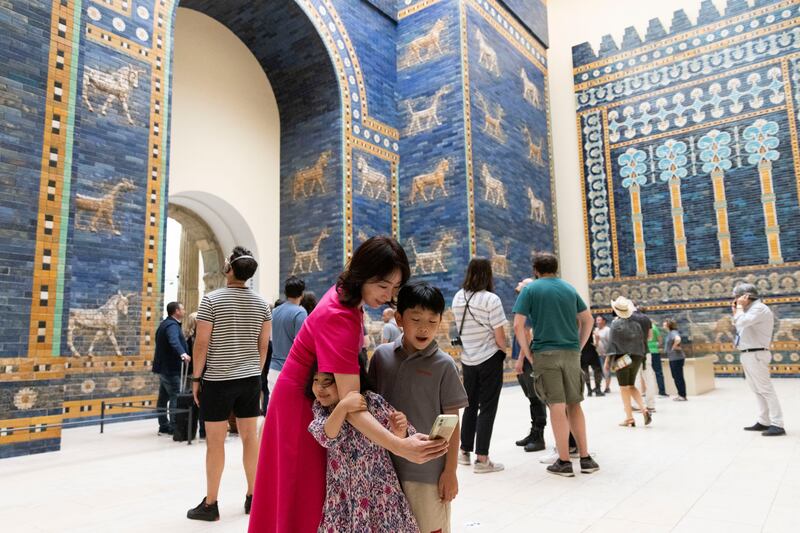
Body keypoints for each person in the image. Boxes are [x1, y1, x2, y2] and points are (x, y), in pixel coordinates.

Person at [248, 236, 449, 533]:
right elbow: (352, 405)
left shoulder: (347, 299)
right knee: (304, 496)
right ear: (362, 274)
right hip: (303, 404)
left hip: (316, 396)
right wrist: (400, 446)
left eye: (395, 288)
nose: (388, 294)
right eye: (383, 286)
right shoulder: (339, 317)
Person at [370, 281, 469, 533]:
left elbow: (452, 422)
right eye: (416, 319)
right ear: (399, 319)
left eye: (432, 321)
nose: (424, 328)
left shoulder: (444, 365)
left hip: (428, 475)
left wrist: (450, 471)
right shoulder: (381, 357)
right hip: (385, 470)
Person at [187, 247, 272, 521]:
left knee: (215, 442)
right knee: (251, 439)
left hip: (218, 382)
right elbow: (263, 347)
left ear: (229, 269)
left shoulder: (211, 301)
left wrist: (196, 378)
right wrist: (255, 376)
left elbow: (201, 344)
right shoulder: (262, 304)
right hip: (249, 381)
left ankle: (210, 504)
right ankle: (253, 497)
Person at [512, 252, 598, 477]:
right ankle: (586, 458)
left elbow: (518, 325)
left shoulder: (530, 289)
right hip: (570, 353)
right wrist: (578, 345)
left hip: (545, 353)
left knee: (557, 407)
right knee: (574, 404)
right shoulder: (569, 288)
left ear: (535, 270)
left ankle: (564, 461)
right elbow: (587, 319)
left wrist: (528, 354)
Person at [308, 361, 419, 533]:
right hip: (343, 496)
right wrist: (343, 406)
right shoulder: (322, 410)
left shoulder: (371, 402)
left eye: (328, 381)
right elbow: (325, 437)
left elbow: (402, 438)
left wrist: (400, 429)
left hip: (380, 491)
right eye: (315, 380)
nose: (320, 388)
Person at [451, 258, 507, 473]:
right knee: (488, 407)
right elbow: (499, 335)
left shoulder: (457, 297)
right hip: (489, 358)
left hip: (468, 359)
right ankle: (482, 459)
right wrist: (504, 350)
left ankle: (464, 452)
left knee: (470, 405)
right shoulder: (491, 299)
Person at [731, 283, 785, 436]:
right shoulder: (749, 310)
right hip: (748, 354)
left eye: (737, 297)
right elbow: (738, 323)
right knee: (757, 390)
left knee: (766, 390)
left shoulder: (759, 308)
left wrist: (739, 309)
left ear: (746, 296)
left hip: (756, 354)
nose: (735, 300)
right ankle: (764, 421)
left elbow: (741, 322)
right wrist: (738, 310)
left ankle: (778, 423)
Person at [512, 277, 547, 452]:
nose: (518, 285)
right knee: (532, 398)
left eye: (522, 284)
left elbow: (526, 335)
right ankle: (534, 432)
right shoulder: (523, 305)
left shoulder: (527, 307)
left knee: (536, 398)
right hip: (525, 358)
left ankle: (539, 436)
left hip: (527, 359)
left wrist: (520, 359)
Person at [606, 297, 651, 427]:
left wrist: (608, 361)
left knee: (624, 388)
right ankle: (644, 409)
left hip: (622, 358)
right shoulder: (636, 325)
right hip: (637, 356)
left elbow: (612, 344)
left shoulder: (615, 324)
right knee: (631, 386)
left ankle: (629, 418)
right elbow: (643, 342)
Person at [153, 301, 190, 436]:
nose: (184, 311)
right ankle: (174, 427)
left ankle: (163, 426)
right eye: (182, 309)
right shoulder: (172, 326)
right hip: (170, 368)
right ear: (176, 311)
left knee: (163, 398)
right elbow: (173, 340)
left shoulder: (165, 323)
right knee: (175, 395)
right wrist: (183, 354)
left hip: (164, 368)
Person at [268, 276, 308, 391]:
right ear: (302, 294)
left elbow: (270, 338)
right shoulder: (300, 312)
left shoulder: (275, 311)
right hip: (291, 370)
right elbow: (301, 345)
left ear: (285, 293)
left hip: (273, 369)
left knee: (273, 407)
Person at [629, 305, 656, 412]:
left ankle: (637, 404)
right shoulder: (647, 319)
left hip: (634, 352)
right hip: (646, 351)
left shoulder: (629, 318)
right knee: (649, 379)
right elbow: (650, 336)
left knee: (635, 379)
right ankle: (651, 405)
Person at [183, 312, 205, 439]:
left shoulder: (186, 337)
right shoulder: (199, 337)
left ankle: (191, 429)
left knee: (194, 401)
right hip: (198, 373)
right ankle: (202, 431)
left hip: (191, 372)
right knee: (201, 402)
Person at [662, 320, 687, 402]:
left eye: (665, 324)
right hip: (674, 358)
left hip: (676, 358)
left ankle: (682, 395)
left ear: (669, 325)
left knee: (678, 377)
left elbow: (678, 339)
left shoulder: (673, 333)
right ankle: (681, 394)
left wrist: (674, 347)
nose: (663, 325)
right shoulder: (671, 333)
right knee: (676, 376)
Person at [581, 324, 604, 397]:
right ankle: (598, 390)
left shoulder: (576, 327)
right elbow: (597, 335)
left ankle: (589, 391)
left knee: (585, 371)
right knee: (597, 369)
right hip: (591, 350)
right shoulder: (589, 326)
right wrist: (596, 344)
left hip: (582, 350)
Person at [648, 320, 668, 397]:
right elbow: (660, 340)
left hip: (645, 352)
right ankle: (662, 391)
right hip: (655, 352)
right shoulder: (654, 328)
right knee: (658, 372)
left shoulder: (643, 327)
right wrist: (655, 344)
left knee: (646, 374)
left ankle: (648, 392)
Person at [594, 316, 612, 393]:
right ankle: (599, 386)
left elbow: (610, 342)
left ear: (604, 321)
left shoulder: (607, 330)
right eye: (596, 320)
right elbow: (595, 343)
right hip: (597, 354)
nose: (597, 321)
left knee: (606, 371)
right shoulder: (596, 330)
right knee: (599, 371)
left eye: (599, 320)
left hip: (606, 354)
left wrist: (609, 354)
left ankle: (607, 387)